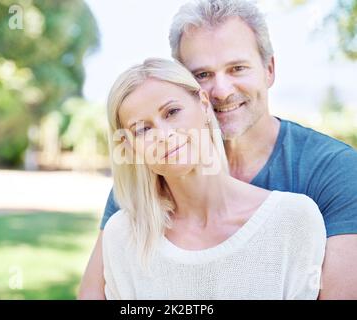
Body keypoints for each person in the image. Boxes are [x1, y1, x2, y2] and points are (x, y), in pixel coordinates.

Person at [78, 0, 357, 300]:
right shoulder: (150, 182)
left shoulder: (335, 171)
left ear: (269, 69)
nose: (221, 91)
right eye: (202, 75)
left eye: (237, 68)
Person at [103, 57, 326, 299]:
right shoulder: (123, 236)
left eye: (172, 112)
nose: (164, 135)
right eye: (143, 129)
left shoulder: (293, 219)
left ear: (203, 104)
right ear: (130, 146)